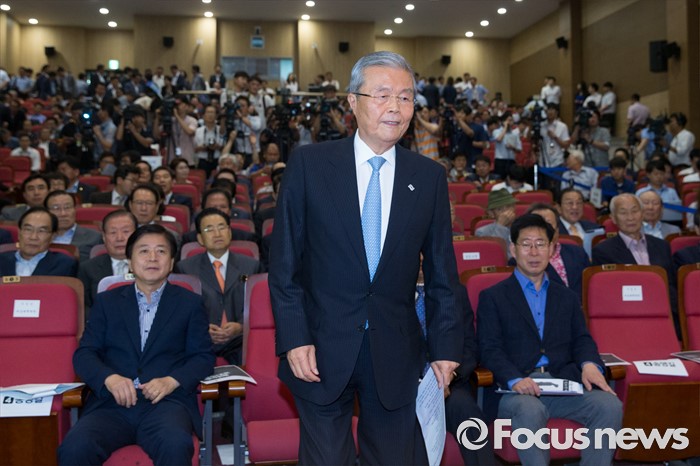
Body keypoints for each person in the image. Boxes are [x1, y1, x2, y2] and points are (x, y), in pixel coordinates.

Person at [268, 51, 463, 465]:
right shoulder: (309, 164)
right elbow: (284, 265)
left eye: (406, 97)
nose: (396, 107)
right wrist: (294, 338)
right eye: (383, 95)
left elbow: (443, 274)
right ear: (353, 102)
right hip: (320, 347)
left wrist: (445, 348)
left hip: (396, 351)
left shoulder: (428, 177)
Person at [57, 224, 215, 465]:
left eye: (161, 251)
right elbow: (85, 354)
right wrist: (109, 379)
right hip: (111, 405)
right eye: (143, 251)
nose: (152, 257)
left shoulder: (190, 303)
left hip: (165, 404)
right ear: (130, 262)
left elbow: (203, 357)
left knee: (175, 445)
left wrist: (171, 381)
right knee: (74, 448)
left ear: (171, 263)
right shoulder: (107, 302)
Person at [478, 213, 622, 465]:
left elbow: (582, 339)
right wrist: (515, 379)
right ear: (513, 249)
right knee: (529, 409)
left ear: (552, 249)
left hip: (561, 384)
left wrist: (590, 364)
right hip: (514, 390)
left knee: (610, 405)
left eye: (541, 244)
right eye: (526, 244)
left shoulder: (566, 296)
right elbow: (489, 349)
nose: (534, 252)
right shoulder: (493, 296)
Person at [175, 208, 263, 364]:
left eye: (222, 227)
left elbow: (259, 306)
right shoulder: (185, 268)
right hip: (202, 338)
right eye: (209, 229)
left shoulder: (251, 266)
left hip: (240, 339)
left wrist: (241, 326)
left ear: (229, 232)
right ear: (200, 238)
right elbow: (181, 308)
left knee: (255, 355)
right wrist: (202, 327)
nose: (217, 234)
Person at [592, 193, 678, 335]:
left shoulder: (662, 246)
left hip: (664, 316)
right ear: (613, 218)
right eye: (623, 213)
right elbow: (608, 296)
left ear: (642, 213)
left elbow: (671, 286)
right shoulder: (603, 251)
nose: (630, 217)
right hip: (627, 319)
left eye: (634, 211)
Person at [525, 203, 590, 303]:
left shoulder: (578, 253)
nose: (543, 230)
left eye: (548, 224)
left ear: (557, 230)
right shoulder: (522, 261)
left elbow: (591, 287)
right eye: (538, 225)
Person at [77, 209, 137, 313]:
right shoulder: (88, 268)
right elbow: (84, 308)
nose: (119, 238)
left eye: (126, 231)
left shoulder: (151, 265)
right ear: (104, 238)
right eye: (113, 232)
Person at [0, 207, 78, 277]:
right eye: (28, 229)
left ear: (52, 236)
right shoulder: (1, 260)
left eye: (41, 231)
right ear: (19, 233)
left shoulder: (65, 264)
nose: (33, 237)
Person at [45, 190, 102, 262]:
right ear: (46, 213)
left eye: (67, 207)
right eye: (56, 208)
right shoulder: (37, 237)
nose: (63, 214)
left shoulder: (95, 237)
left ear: (75, 209)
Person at [635, 159, 682, 224]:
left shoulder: (671, 192)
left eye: (661, 174)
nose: (659, 177)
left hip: (669, 223)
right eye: (656, 174)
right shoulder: (641, 192)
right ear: (648, 175)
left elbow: (678, 212)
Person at [475, 188, 517, 258]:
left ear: (514, 207)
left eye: (509, 207)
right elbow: (490, 254)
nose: (505, 213)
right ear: (491, 213)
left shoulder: (523, 228)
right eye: (499, 209)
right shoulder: (482, 232)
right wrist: (500, 226)